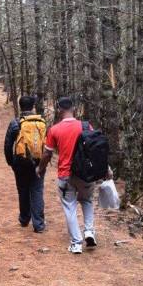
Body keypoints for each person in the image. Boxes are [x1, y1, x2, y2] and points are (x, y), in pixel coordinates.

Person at [36, 97, 97, 254]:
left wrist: (40, 168)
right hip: (86, 174)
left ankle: (76, 243)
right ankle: (89, 231)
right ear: (73, 108)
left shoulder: (54, 130)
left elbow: (47, 154)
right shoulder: (86, 126)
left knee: (70, 206)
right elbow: (95, 149)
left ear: (59, 110)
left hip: (66, 174)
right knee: (87, 200)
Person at [4, 95, 47, 233]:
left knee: (22, 189)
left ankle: (24, 219)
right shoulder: (41, 122)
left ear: (20, 106)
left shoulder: (15, 123)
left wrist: (11, 162)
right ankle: (38, 224)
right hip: (39, 162)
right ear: (33, 107)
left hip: (20, 162)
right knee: (37, 190)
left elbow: (8, 144)